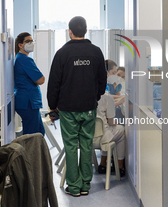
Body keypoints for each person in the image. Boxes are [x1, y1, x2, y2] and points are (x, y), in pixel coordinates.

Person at [47, 16, 107, 197]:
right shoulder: (96, 52)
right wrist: (94, 97)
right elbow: (102, 82)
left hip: (67, 108)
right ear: (86, 31)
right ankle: (85, 186)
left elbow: (54, 83)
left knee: (71, 145)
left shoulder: (62, 54)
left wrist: (52, 106)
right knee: (87, 144)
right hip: (89, 106)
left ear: (70, 31)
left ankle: (73, 187)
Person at [14, 32, 45, 135]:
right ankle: (31, 152)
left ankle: (37, 151)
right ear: (20, 45)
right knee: (32, 136)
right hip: (28, 103)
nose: (31, 43)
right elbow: (41, 80)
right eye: (28, 41)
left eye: (32, 41)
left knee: (39, 132)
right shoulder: (24, 60)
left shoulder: (20, 58)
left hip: (29, 102)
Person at [97, 91, 126, 177]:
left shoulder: (80, 93)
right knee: (121, 131)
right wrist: (115, 123)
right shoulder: (106, 97)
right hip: (102, 137)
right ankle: (120, 167)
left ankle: (103, 164)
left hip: (85, 137)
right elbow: (111, 121)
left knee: (102, 131)